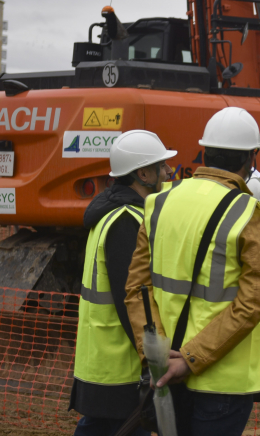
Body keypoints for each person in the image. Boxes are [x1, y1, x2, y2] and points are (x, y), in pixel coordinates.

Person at [124, 107, 260, 436]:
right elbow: (251, 304)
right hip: (222, 379)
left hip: (167, 372)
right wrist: (190, 359)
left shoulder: (159, 203)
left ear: (205, 151)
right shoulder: (249, 213)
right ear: (251, 159)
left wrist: (157, 358)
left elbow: (136, 290)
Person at [70, 130, 176, 436]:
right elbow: (133, 298)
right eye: (162, 166)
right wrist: (153, 360)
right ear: (143, 173)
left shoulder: (109, 214)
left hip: (102, 364)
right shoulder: (128, 221)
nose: (169, 172)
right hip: (122, 369)